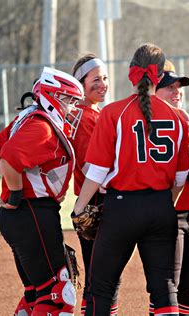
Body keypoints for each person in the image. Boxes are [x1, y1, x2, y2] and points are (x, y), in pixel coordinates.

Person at [72, 43, 189, 316]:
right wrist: (163, 203)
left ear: (131, 74)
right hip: (162, 208)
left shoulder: (114, 113)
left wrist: (78, 208)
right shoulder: (177, 117)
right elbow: (181, 178)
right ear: (159, 77)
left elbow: (97, 171)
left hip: (122, 208)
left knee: (100, 287)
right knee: (164, 288)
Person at [0, 67, 84, 316]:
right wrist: (17, 192)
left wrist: (18, 187)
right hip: (31, 211)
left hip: (22, 215)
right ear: (50, 95)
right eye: (68, 99)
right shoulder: (42, 126)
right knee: (56, 294)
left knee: (36, 293)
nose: (72, 107)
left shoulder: (30, 117)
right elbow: (8, 159)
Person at [151, 59, 189, 316]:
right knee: (167, 288)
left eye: (179, 86)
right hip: (166, 217)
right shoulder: (153, 128)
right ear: (154, 92)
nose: (177, 91)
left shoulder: (187, 124)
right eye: (169, 87)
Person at [69, 53, 119, 316]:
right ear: (80, 83)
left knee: (98, 275)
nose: (103, 84)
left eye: (105, 77)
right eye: (95, 79)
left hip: (88, 199)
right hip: (96, 201)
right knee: (102, 277)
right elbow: (92, 170)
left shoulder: (89, 113)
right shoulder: (87, 116)